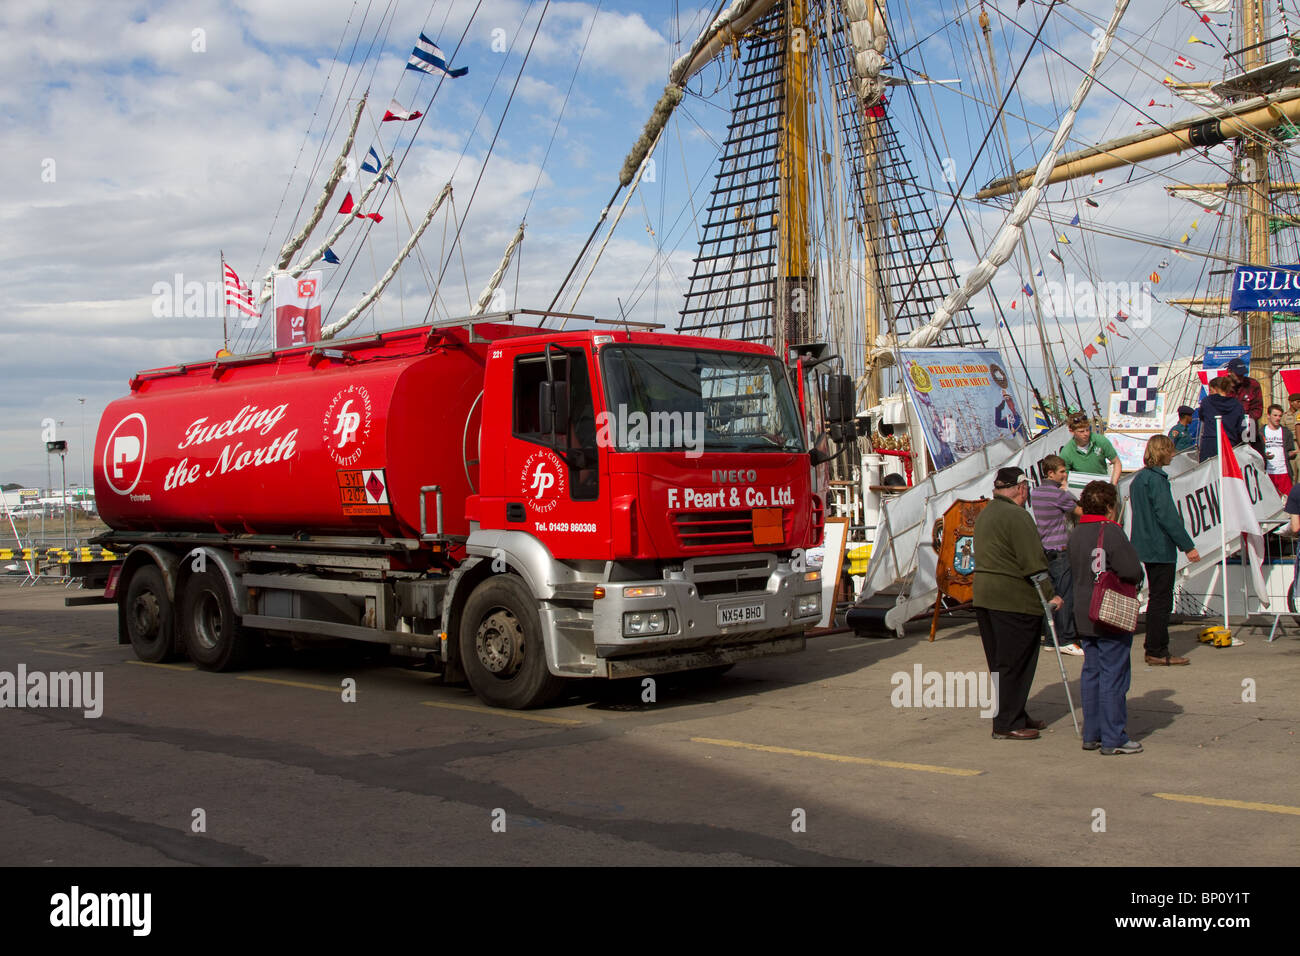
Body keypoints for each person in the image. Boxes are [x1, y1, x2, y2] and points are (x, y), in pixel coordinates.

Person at [973, 466, 1063, 740]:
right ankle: (1007, 722)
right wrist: (1051, 595)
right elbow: (1034, 563)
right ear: (1022, 489)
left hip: (986, 596)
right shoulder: (1018, 516)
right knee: (1016, 663)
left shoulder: (986, 513)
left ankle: (1015, 713)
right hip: (1012, 599)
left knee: (1001, 663)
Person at [1069, 481, 1146, 755]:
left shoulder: (1076, 533)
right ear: (1111, 507)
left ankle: (1093, 733)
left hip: (1083, 610)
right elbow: (1132, 570)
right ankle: (1114, 737)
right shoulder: (1111, 532)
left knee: (1092, 672)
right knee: (1114, 674)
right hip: (1108, 610)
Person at [1129, 434, 1201, 666]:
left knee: (1155, 599)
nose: (1173, 454)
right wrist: (1187, 545)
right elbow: (1167, 516)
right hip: (1160, 547)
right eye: (1170, 450)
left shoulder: (1138, 480)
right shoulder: (1157, 480)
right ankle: (1157, 650)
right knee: (1162, 600)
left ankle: (1153, 646)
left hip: (1145, 546)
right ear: (1162, 452)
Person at [1030, 454, 1083, 656]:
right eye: (1061, 471)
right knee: (1065, 595)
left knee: (1050, 596)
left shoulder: (1036, 493)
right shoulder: (1058, 494)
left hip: (1045, 548)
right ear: (1050, 473)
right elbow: (1079, 510)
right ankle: (1067, 638)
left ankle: (1051, 638)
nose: (1064, 474)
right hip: (1060, 549)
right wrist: (1067, 490)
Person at [1059, 412, 1121, 483]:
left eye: (1087, 430)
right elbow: (1063, 476)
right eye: (1081, 431)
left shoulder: (1100, 441)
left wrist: (1113, 484)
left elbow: (1116, 462)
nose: (1086, 434)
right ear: (1071, 431)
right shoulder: (1066, 452)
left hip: (1101, 486)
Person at [1197, 375, 1246, 460]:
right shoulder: (1237, 405)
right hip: (1230, 444)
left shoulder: (1206, 402)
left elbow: (1201, 417)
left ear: (1215, 389)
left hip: (1210, 444)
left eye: (1210, 390)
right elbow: (1241, 428)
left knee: (1209, 471)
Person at [1224, 358, 1263, 455]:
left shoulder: (1253, 385)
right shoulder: (1221, 387)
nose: (1241, 376)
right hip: (1229, 433)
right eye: (1238, 374)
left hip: (1250, 430)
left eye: (1242, 373)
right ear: (1229, 372)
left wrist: (1245, 420)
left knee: (1257, 458)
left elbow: (1258, 409)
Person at [1262, 404, 1296, 496]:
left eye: (1280, 416)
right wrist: (1264, 456)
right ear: (1268, 415)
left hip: (1284, 472)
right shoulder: (1261, 432)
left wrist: (1293, 453)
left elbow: (1290, 451)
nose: (1278, 418)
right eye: (1275, 415)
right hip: (1268, 473)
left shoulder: (1286, 432)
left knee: (1287, 502)